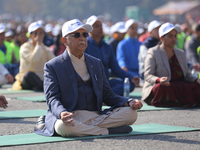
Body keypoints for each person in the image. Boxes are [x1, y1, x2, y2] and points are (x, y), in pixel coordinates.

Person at [34, 19, 143, 137]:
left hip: (95, 115)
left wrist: (128, 102)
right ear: (64, 41)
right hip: (70, 116)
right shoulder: (53, 66)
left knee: (131, 113)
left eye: (84, 34)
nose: (82, 38)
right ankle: (107, 131)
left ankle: (86, 129)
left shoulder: (96, 63)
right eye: (76, 35)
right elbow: (52, 98)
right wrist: (61, 113)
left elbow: (108, 95)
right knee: (62, 127)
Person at [142, 22, 200, 107]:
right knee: (161, 88)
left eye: (175, 36)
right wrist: (159, 80)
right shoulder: (153, 52)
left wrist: (196, 80)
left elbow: (187, 75)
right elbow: (148, 75)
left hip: (179, 85)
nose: (173, 39)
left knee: (196, 86)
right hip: (164, 86)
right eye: (170, 36)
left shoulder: (181, 53)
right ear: (162, 38)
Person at [85, 15, 139, 96]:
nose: (100, 28)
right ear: (89, 30)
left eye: (100, 26)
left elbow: (116, 68)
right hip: (91, 83)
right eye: (96, 26)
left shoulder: (107, 47)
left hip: (106, 82)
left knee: (129, 85)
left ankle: (103, 95)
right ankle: (105, 95)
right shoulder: (85, 46)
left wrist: (130, 77)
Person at [12, 21, 55, 91]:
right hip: (27, 80)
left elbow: (54, 62)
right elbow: (34, 60)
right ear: (30, 35)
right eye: (36, 33)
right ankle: (45, 87)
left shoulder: (45, 49)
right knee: (28, 75)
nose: (39, 36)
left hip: (42, 79)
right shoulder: (25, 47)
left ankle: (43, 86)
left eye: (41, 33)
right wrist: (38, 44)